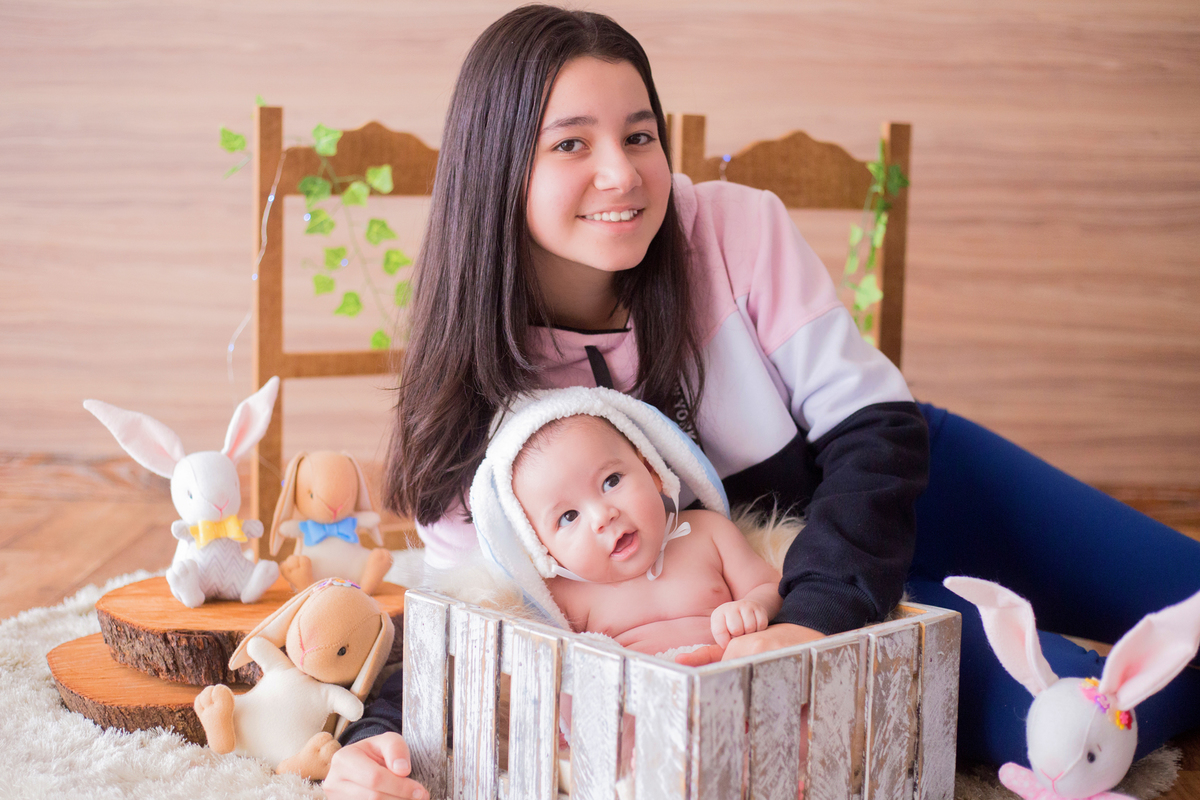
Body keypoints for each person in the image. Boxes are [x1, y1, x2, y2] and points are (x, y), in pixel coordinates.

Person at [322, 6, 1200, 799]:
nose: (623, 175)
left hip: (914, 490)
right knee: (1074, 726)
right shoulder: (473, 414)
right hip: (800, 594)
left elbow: (875, 429)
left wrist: (812, 620)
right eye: (571, 144)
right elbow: (467, 619)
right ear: (495, 167)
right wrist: (370, 739)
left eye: (640, 136)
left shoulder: (735, 230)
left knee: (1188, 593)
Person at [472, 387, 783, 656]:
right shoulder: (564, 596)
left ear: (652, 471)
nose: (602, 517)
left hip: (726, 686)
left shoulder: (708, 534)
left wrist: (753, 607)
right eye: (568, 517)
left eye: (611, 481)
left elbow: (768, 585)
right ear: (543, 548)